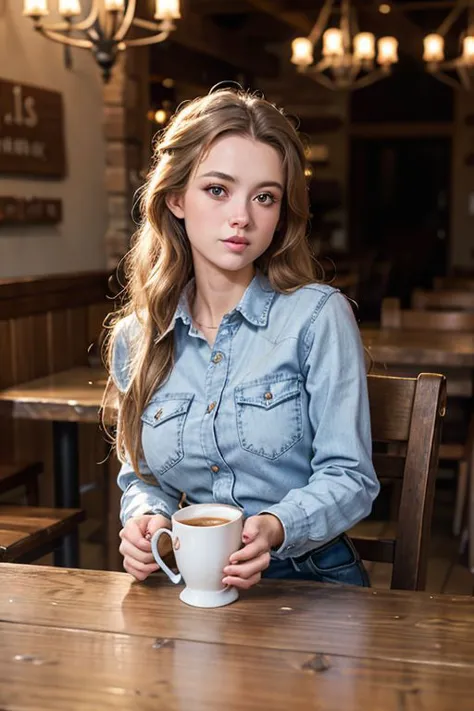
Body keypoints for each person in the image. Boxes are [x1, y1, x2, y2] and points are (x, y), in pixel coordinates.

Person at [103, 88, 379, 590]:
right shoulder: (137, 336)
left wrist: (276, 528)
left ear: (280, 214)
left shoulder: (317, 316)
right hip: (191, 577)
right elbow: (144, 478)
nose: (242, 217)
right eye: (218, 189)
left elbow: (352, 478)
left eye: (264, 197)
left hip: (308, 579)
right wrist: (145, 522)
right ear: (176, 198)